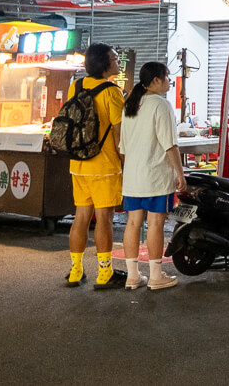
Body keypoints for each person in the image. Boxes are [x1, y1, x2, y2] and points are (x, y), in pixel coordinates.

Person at [120, 62, 187, 290]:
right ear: (156, 80)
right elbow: (170, 145)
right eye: (167, 77)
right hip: (155, 176)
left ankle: (132, 276)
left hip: (132, 177)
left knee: (132, 223)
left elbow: (124, 147)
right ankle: (156, 275)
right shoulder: (161, 104)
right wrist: (180, 172)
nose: (169, 82)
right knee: (156, 223)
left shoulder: (130, 104)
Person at [66, 43, 127, 290]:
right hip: (104, 165)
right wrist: (125, 163)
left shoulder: (76, 85)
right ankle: (104, 272)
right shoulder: (112, 92)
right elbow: (118, 133)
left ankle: (75, 270)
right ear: (104, 63)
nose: (118, 61)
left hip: (78, 163)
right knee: (104, 218)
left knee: (81, 216)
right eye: (114, 58)